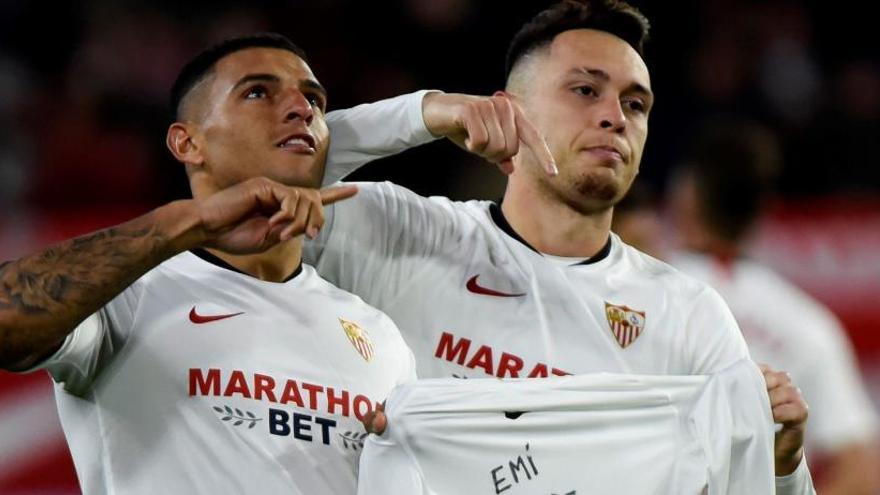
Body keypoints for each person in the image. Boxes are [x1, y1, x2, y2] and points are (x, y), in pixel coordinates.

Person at [303, 0, 815, 491]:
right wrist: (426, 112)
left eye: (635, 104)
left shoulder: (688, 316)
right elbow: (256, 179)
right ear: (508, 110)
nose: (616, 116)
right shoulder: (398, 232)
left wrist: (785, 468)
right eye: (585, 91)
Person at [0, 33, 426, 494]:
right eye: (257, 92)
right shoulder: (129, 292)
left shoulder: (380, 335)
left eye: (315, 100)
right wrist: (190, 221)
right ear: (187, 143)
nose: (302, 108)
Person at [659, 120, 880, 494]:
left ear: (686, 196)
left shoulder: (636, 303)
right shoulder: (809, 325)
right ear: (763, 209)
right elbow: (862, 473)